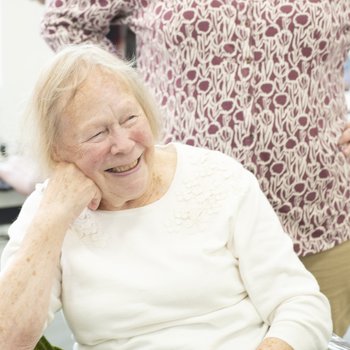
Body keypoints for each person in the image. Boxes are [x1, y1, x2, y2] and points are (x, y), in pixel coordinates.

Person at [40, 1, 350, 336]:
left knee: (308, 329)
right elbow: (65, 21)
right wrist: (123, 101)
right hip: (185, 208)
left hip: (318, 206)